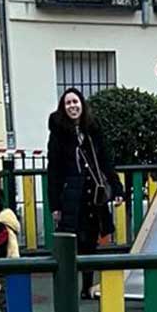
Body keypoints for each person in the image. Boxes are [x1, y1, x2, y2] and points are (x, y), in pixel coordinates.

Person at [42, 87, 119, 253]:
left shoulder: (92, 130)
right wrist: (55, 205)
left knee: (91, 243)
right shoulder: (58, 134)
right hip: (70, 197)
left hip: (93, 196)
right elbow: (53, 171)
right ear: (63, 107)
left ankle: (88, 280)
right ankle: (72, 280)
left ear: (82, 105)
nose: (72, 106)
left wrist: (117, 188)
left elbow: (105, 161)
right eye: (68, 103)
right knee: (71, 246)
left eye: (75, 102)